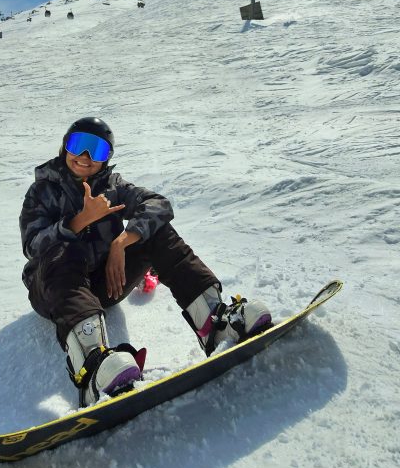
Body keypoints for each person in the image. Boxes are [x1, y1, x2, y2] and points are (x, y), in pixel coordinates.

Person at [19, 116, 271, 406]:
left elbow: (159, 205)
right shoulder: (42, 191)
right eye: (79, 145)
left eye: (96, 150)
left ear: (106, 158)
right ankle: (92, 369)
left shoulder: (112, 186)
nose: (85, 157)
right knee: (63, 249)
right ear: (65, 147)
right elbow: (33, 245)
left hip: (105, 284)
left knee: (155, 231)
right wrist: (80, 221)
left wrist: (122, 242)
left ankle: (214, 323)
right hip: (52, 289)